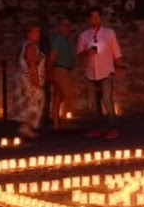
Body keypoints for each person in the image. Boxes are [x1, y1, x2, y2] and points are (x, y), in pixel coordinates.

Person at [76, 8, 124, 139]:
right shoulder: (84, 36)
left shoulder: (109, 34)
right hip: (91, 74)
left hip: (106, 72)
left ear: (100, 18)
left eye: (97, 17)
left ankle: (113, 128)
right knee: (94, 103)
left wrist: (120, 68)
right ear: (89, 19)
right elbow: (79, 54)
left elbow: (117, 52)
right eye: (92, 17)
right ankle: (96, 128)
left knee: (107, 100)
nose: (94, 19)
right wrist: (87, 52)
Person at [15, 23, 46, 139]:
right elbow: (31, 64)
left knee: (31, 103)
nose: (38, 35)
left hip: (25, 79)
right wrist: (36, 80)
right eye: (36, 32)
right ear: (30, 33)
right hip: (29, 80)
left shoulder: (28, 46)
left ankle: (27, 127)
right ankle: (26, 127)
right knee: (34, 102)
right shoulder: (30, 47)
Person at [47, 17, 78, 131]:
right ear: (59, 27)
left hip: (63, 69)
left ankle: (56, 124)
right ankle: (65, 121)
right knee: (70, 95)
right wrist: (49, 71)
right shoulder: (58, 40)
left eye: (69, 25)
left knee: (58, 97)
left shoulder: (65, 41)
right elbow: (53, 56)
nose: (67, 28)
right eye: (65, 25)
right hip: (60, 70)